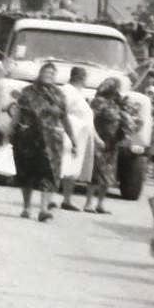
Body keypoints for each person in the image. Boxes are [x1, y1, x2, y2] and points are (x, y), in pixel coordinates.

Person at [9, 61, 78, 222]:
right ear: (40, 74)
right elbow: (18, 113)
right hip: (28, 138)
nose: (49, 76)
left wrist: (73, 139)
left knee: (50, 173)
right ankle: (26, 207)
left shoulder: (59, 95)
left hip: (52, 141)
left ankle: (43, 209)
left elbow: (64, 118)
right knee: (27, 173)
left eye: (52, 74)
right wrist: (10, 131)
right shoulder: (27, 92)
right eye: (46, 73)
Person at [85, 78, 135, 216]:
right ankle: (89, 202)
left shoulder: (117, 103)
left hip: (113, 142)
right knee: (96, 173)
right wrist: (95, 137)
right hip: (100, 139)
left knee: (108, 175)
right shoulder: (98, 102)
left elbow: (126, 117)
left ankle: (101, 204)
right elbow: (90, 118)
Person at [59, 67, 96, 214]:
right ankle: (57, 199)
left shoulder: (78, 93)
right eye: (84, 77)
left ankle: (67, 199)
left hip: (80, 135)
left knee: (72, 168)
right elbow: (63, 112)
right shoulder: (68, 91)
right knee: (65, 165)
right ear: (80, 77)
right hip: (70, 134)